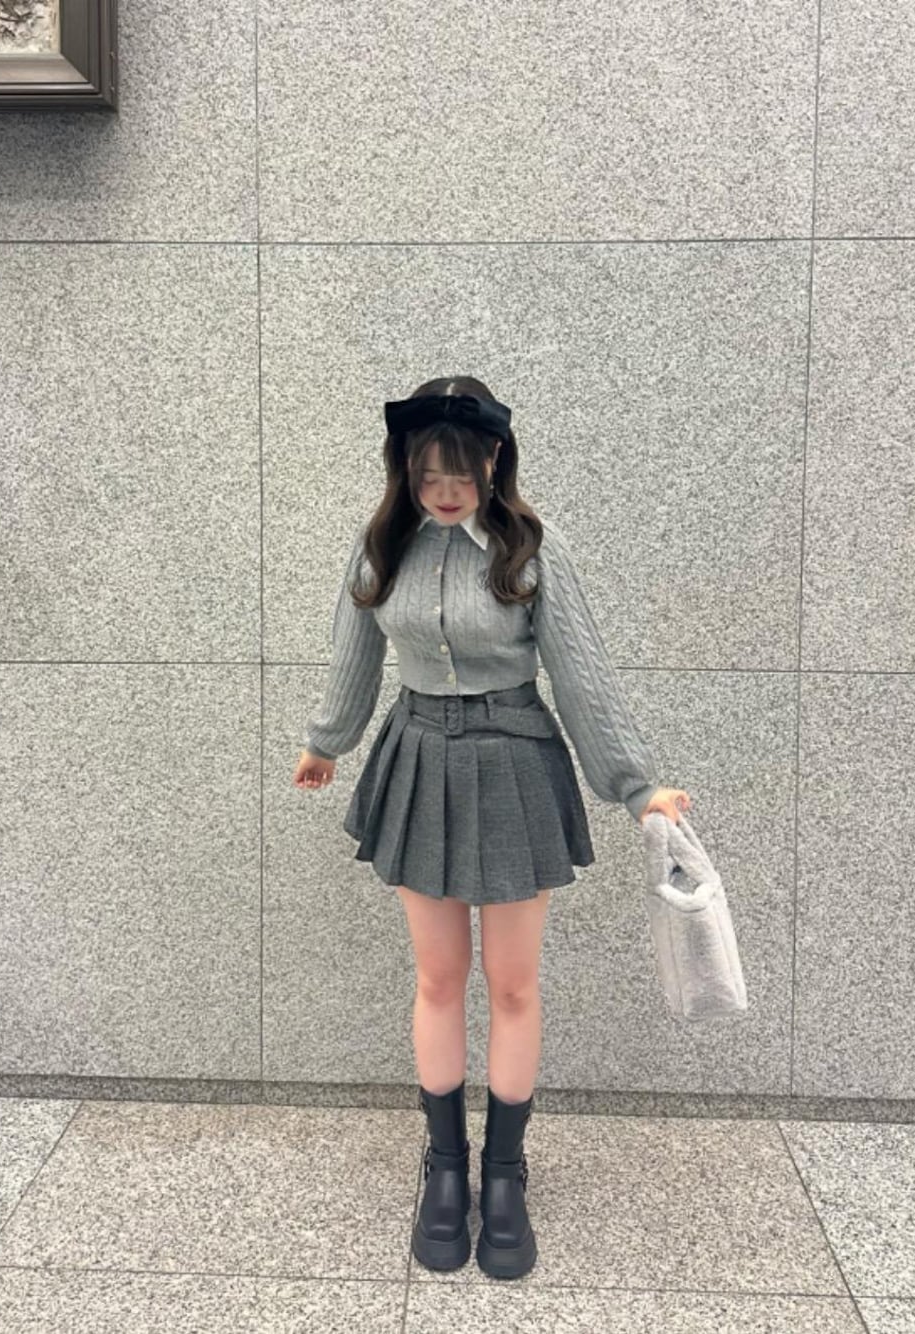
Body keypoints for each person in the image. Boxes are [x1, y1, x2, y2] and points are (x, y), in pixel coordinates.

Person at [294, 375, 691, 1281]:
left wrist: (636, 787)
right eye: (427, 473)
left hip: (514, 761)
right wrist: (327, 743)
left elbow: (582, 675)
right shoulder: (382, 547)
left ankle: (504, 1176)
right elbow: (354, 652)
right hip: (419, 757)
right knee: (440, 977)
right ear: (405, 469)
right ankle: (445, 1168)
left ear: (493, 464)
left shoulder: (529, 550)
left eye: (461, 473)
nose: (445, 490)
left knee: (512, 984)